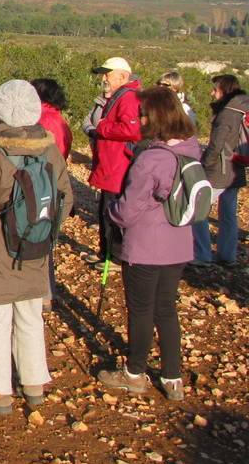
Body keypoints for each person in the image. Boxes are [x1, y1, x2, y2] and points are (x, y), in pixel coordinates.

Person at [0, 80, 73, 415]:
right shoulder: (48, 147)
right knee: (29, 314)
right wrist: (45, 230)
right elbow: (65, 197)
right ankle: (34, 382)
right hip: (37, 244)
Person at [97, 86, 198, 401]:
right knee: (166, 309)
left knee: (140, 310)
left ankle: (134, 373)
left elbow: (127, 211)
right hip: (179, 243)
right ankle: (172, 378)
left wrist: (111, 212)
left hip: (144, 246)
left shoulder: (151, 158)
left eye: (142, 114)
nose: (138, 119)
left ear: (154, 116)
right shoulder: (191, 149)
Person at [87, 57, 141, 271]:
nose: (104, 78)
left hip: (117, 167)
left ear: (123, 76)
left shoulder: (128, 98)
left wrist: (102, 127)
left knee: (112, 212)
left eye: (108, 73)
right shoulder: (120, 96)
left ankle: (114, 258)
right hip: (112, 165)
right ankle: (106, 254)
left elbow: (132, 130)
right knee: (105, 211)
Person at [194, 74, 249, 267]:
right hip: (237, 167)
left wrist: (204, 165)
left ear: (224, 90)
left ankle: (202, 254)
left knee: (198, 209)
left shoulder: (227, 114)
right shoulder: (243, 108)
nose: (212, 93)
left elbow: (216, 146)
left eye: (215, 89)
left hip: (220, 170)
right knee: (228, 214)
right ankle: (227, 255)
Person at [31, 78, 74, 308]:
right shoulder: (59, 119)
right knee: (45, 242)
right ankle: (46, 293)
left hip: (43, 185)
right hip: (54, 184)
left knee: (39, 243)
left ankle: (43, 294)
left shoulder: (43, 120)